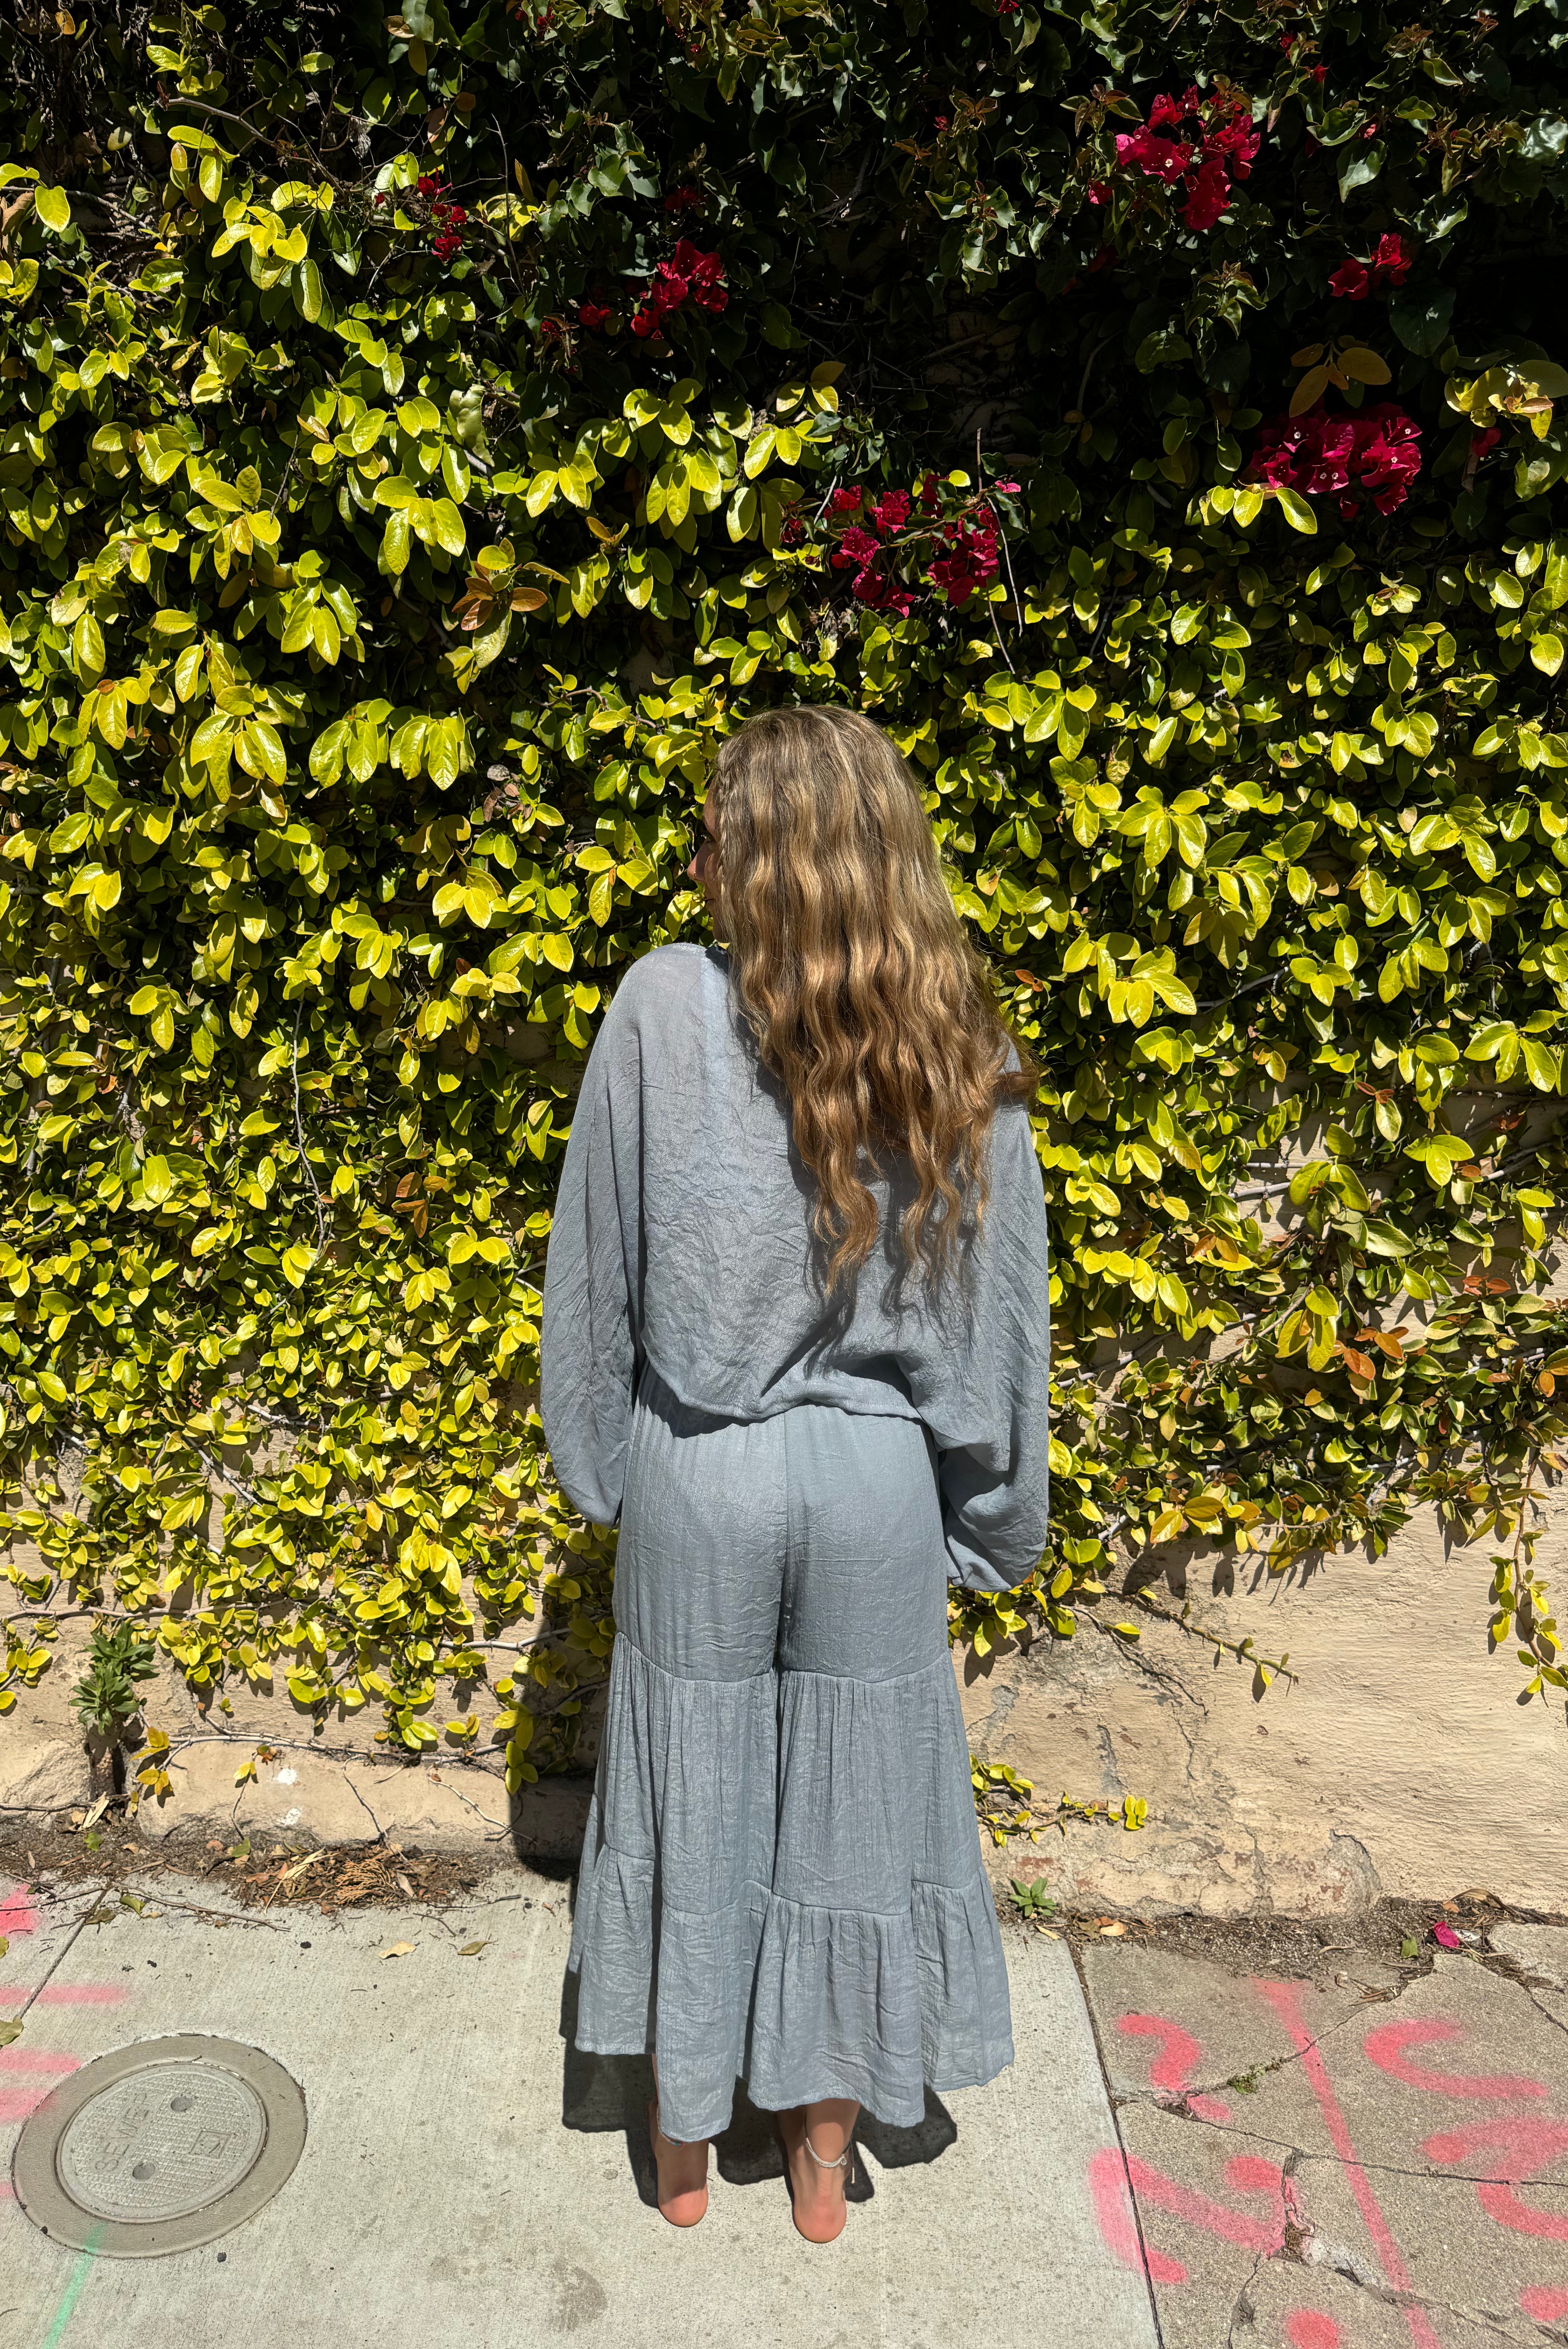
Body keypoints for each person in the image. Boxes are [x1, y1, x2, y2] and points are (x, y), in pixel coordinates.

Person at [540, 704, 1050, 2243]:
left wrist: (615, 1471)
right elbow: (997, 1312)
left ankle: (684, 2148)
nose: (694, 857)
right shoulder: (955, 1031)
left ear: (746, 855)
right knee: (851, 1816)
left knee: (692, 1802)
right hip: (878, 1482)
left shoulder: (652, 1007)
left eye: (710, 832)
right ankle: (822, 2162)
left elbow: (595, 1276)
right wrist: (985, 1517)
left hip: (705, 1468)